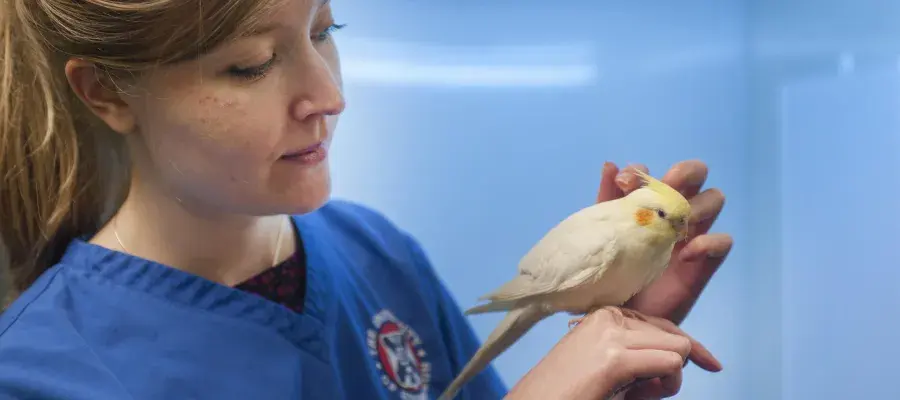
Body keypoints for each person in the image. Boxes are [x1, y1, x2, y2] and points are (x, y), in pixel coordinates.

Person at [0, 0, 733, 399]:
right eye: (251, 65)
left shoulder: (378, 257)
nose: (329, 96)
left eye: (326, 30)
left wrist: (606, 367)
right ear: (105, 92)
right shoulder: (47, 373)